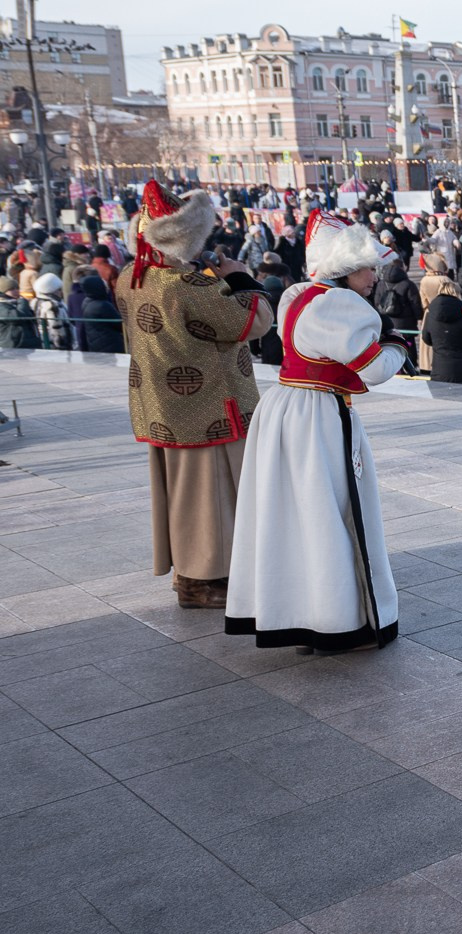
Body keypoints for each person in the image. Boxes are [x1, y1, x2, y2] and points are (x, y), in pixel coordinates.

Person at [226, 212, 407, 653]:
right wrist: (397, 345)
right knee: (333, 514)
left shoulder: (297, 294)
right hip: (321, 416)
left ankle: (301, 614)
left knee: (295, 515)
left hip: (285, 408)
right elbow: (375, 369)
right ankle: (338, 621)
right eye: (367, 268)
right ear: (345, 269)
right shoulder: (342, 305)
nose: (373, 277)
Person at [113, 182, 275, 609]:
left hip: (160, 404)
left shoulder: (132, 275)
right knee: (209, 499)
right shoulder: (184, 284)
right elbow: (254, 320)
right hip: (208, 406)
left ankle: (188, 570)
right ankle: (200, 581)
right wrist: (238, 276)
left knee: (182, 494)